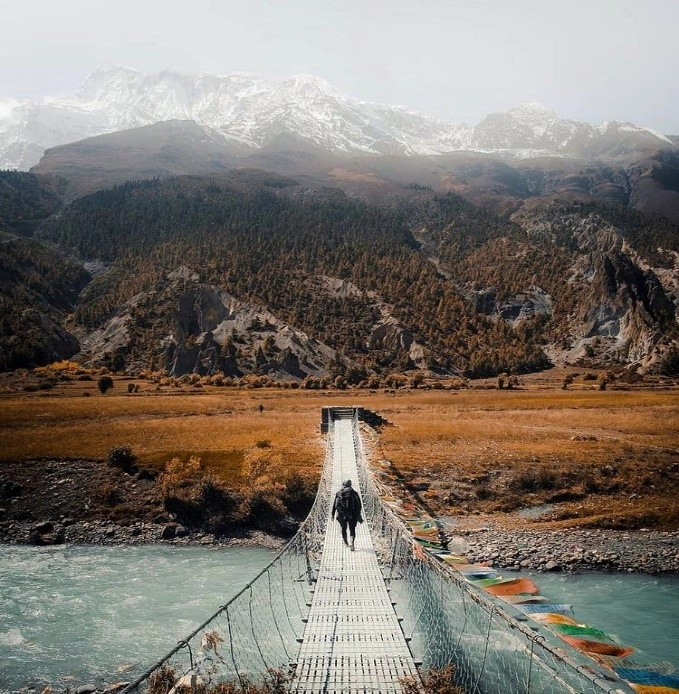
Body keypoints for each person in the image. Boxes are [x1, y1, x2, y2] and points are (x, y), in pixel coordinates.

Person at [331, 479, 362, 550]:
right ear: (350, 485)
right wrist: (358, 514)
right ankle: (352, 542)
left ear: (343, 485)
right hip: (352, 514)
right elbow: (359, 505)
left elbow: (335, 505)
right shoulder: (354, 493)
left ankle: (346, 542)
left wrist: (332, 514)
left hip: (342, 515)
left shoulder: (339, 493)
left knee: (343, 528)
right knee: (352, 529)